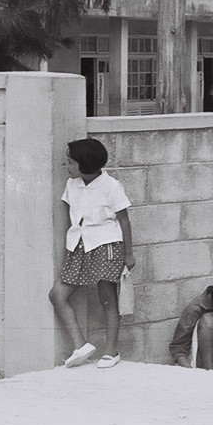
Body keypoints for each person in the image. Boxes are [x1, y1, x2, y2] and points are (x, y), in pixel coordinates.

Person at [48, 138, 135, 369]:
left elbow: (124, 222)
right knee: (57, 294)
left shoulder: (111, 186)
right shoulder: (72, 184)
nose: (67, 166)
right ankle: (81, 345)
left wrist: (129, 254)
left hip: (106, 245)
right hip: (79, 246)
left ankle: (111, 351)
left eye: (71, 162)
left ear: (84, 165)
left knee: (107, 298)